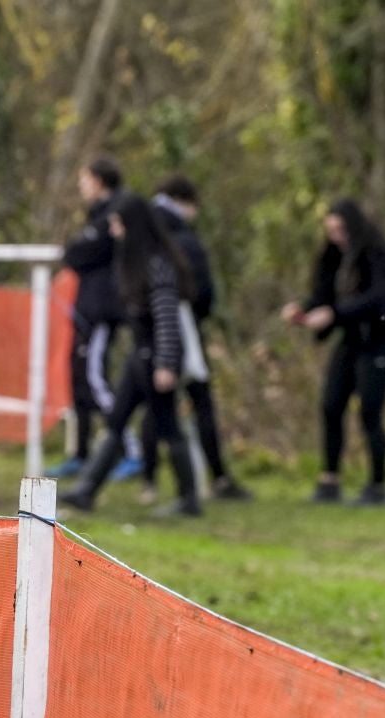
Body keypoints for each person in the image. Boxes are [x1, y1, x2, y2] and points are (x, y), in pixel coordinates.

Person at [62, 194, 199, 516]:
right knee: (116, 419)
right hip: (141, 353)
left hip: (157, 356)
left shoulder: (157, 264)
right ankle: (87, 489)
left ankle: (189, 498)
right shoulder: (133, 261)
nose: (112, 230)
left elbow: (167, 318)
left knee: (168, 426)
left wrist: (165, 363)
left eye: (117, 223)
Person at [280, 199, 385, 506]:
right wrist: (305, 310)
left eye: (340, 229)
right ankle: (329, 479)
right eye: (331, 230)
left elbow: (379, 299)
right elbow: (324, 296)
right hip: (351, 339)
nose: (336, 236)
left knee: (369, 412)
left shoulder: (379, 255)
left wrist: (334, 314)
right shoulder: (334, 257)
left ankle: (377, 485)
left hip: (380, 340)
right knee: (330, 404)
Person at [137, 176, 250, 503]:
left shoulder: (143, 230)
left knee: (154, 406)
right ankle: (214, 478)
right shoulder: (184, 238)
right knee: (198, 402)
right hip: (181, 330)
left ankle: (150, 479)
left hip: (147, 333)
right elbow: (202, 293)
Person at [53, 158, 139, 479]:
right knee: (79, 379)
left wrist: (77, 250)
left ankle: (132, 450)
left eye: (85, 179)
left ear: (99, 180)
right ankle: (81, 453)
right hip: (85, 311)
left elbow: (79, 253)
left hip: (102, 312)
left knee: (96, 380)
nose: (80, 186)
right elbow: (75, 253)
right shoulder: (96, 216)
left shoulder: (115, 215)